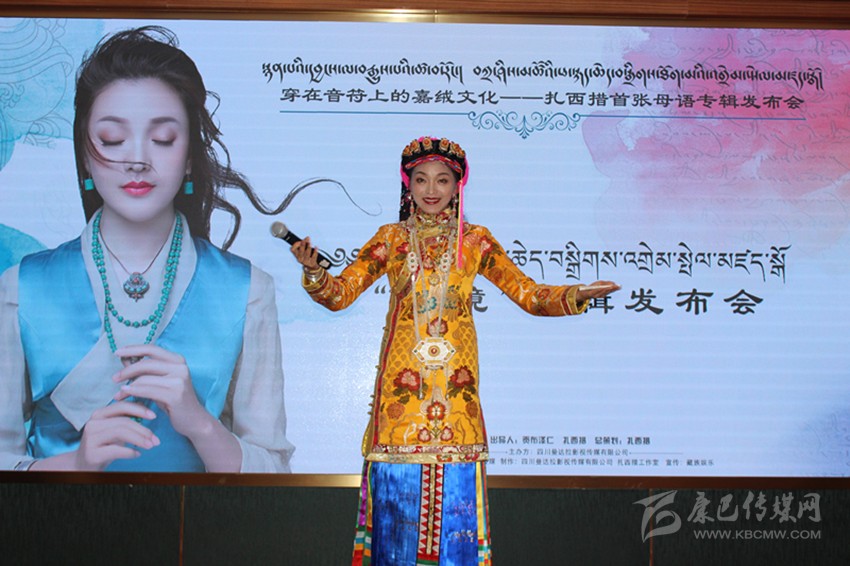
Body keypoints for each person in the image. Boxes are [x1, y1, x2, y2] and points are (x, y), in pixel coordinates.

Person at [290, 136, 619, 564]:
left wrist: (576, 294)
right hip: (401, 402)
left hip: (456, 402)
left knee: (455, 528)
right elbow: (340, 294)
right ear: (407, 185)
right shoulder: (390, 239)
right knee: (396, 522)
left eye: (442, 180)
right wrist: (314, 273)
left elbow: (528, 294)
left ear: (457, 185)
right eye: (421, 179)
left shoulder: (476, 241)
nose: (431, 189)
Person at [0, 26, 293, 473]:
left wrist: (200, 424)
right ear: (84, 155)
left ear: (190, 155)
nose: (137, 160)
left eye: (163, 139)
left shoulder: (246, 290)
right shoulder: (22, 288)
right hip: (59, 520)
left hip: (195, 521)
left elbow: (273, 472)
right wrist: (76, 465)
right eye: (112, 139)